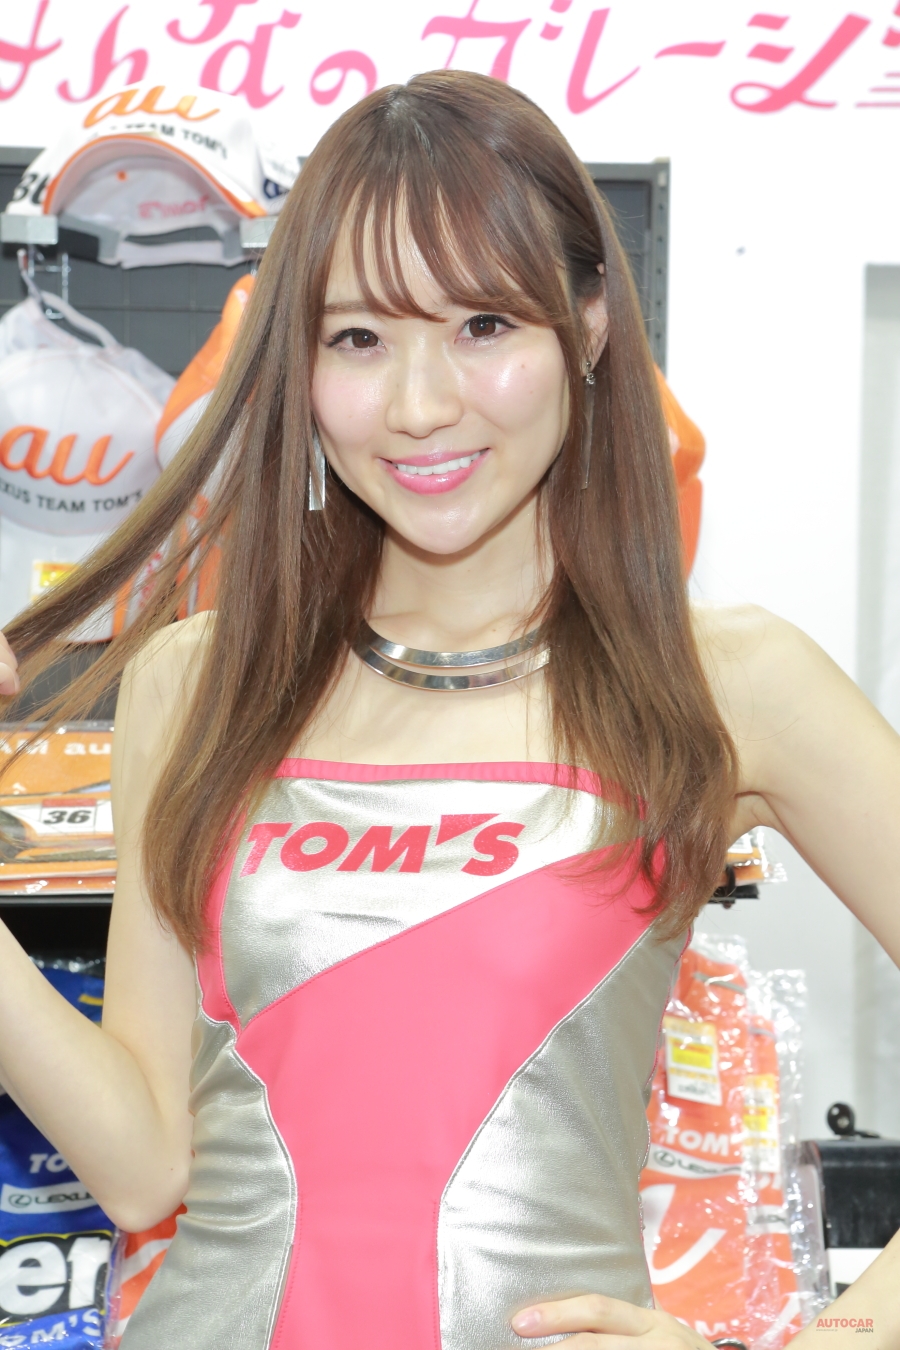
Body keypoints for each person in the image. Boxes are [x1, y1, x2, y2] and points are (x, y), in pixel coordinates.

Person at [0, 70, 897, 1350]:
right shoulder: (195, 683)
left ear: (590, 326)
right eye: (358, 339)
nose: (420, 405)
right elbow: (144, 1166)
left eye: (482, 325)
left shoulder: (728, 684)